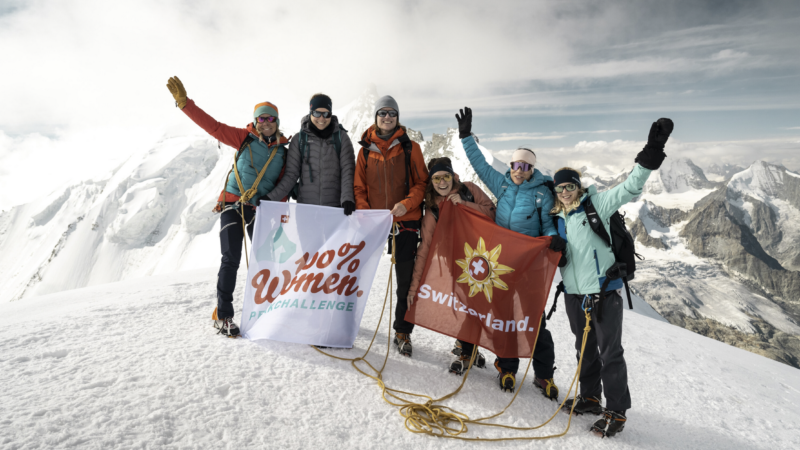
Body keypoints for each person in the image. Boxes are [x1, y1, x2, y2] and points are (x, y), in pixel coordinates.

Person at [553, 119, 674, 438]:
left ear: (578, 187)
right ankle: (590, 399)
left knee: (610, 353)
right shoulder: (559, 220)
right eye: (560, 188)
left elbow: (631, 187)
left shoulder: (598, 205)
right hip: (574, 296)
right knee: (585, 350)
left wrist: (652, 151)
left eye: (570, 186)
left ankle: (616, 411)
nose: (565, 192)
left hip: (604, 294)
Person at [166, 76, 289, 337]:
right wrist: (185, 104)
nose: (266, 123)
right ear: (256, 122)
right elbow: (213, 127)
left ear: (277, 122)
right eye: (261, 118)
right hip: (234, 203)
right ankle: (223, 315)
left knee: (267, 260)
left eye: (270, 119)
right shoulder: (244, 138)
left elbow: (285, 185)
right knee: (231, 258)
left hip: (261, 209)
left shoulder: (284, 152)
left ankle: (269, 309)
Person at [455, 107, 565, 398]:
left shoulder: (542, 192)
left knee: (534, 319)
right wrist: (466, 136)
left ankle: (544, 374)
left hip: (529, 265)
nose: (519, 171)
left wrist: (553, 239)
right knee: (503, 316)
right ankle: (507, 367)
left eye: (525, 167)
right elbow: (479, 164)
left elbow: (548, 224)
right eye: (515, 165)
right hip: (500, 263)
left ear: (532, 170)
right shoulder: (501, 184)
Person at [353, 95, 429, 357]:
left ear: (397, 118)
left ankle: (402, 330)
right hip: (373, 222)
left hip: (405, 221)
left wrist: (406, 205)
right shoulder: (364, 150)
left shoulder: (411, 148)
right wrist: (366, 213)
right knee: (355, 273)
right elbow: (359, 187)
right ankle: (346, 319)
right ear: (375, 117)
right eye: (382, 113)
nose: (387, 117)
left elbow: (422, 184)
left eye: (392, 113)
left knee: (405, 280)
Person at [406, 157, 496, 374]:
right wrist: (414, 287)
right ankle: (467, 348)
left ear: (452, 176)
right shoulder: (433, 211)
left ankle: (466, 347)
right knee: (469, 303)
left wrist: (465, 205)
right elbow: (424, 250)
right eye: (436, 178)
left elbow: (492, 213)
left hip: (480, 258)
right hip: (454, 263)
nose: (442, 182)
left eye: (445, 176)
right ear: (432, 182)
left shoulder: (469, 190)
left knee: (478, 304)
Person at [264, 94, 355, 213]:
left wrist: (347, 199)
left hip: (336, 210)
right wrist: (270, 198)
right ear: (310, 113)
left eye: (326, 114)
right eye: (317, 113)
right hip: (306, 210)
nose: (321, 119)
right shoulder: (299, 139)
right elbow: (291, 175)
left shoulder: (341, 138)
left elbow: (347, 171)